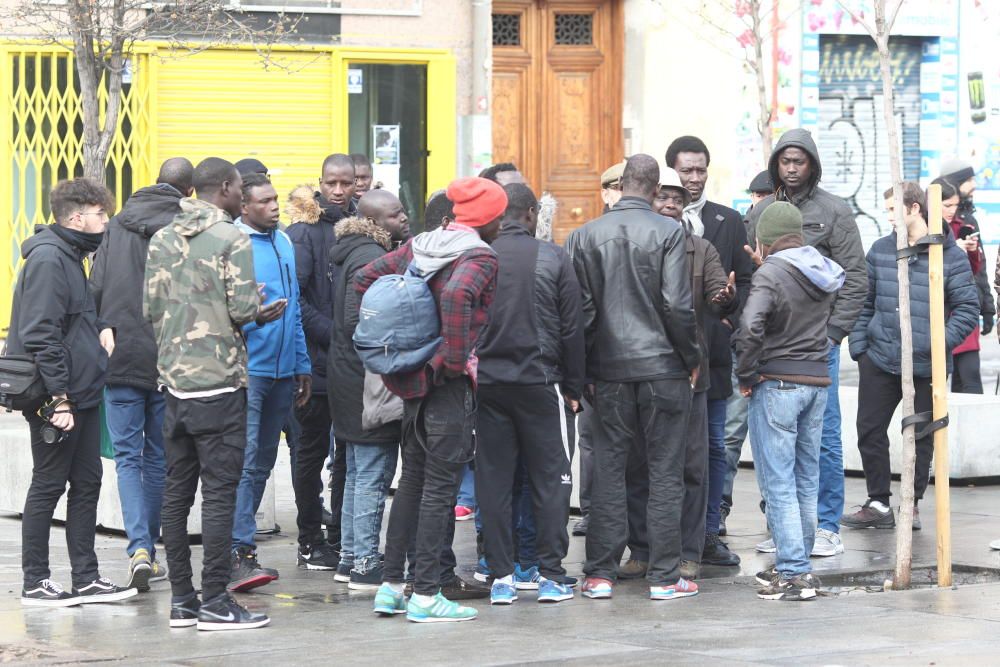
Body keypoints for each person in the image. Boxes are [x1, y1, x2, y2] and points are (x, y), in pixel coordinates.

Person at [145, 157, 283, 630]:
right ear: (224, 189)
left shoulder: (162, 237)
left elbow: (150, 307)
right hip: (220, 385)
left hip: (174, 385)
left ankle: (183, 601)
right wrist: (262, 311)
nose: (243, 197)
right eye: (240, 189)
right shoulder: (231, 237)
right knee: (220, 496)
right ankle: (215, 601)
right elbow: (243, 308)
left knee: (176, 493)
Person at [361, 176, 503, 623]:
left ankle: (390, 586)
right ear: (492, 219)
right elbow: (460, 294)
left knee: (413, 483)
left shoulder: (423, 244)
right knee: (438, 490)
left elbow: (366, 278)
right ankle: (424, 595)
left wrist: (404, 345)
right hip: (445, 385)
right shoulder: (479, 254)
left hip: (413, 381)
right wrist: (452, 360)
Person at [567, 154, 701, 602]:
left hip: (606, 370)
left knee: (608, 470)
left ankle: (600, 573)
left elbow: (580, 314)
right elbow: (677, 306)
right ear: (653, 186)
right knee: (665, 471)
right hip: (663, 367)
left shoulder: (584, 235)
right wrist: (691, 356)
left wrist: (582, 369)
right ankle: (664, 576)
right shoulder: (668, 232)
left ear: (622, 185)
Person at [8, 178, 135, 607]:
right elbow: (41, 333)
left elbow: (74, 316)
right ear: (78, 216)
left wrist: (99, 327)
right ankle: (35, 582)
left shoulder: (71, 256)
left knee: (87, 481)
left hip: (82, 392)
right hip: (55, 397)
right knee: (48, 485)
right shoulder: (48, 259)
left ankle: (86, 578)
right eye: (102, 214)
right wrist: (57, 398)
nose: (106, 221)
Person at [746, 128, 867, 558]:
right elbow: (752, 274)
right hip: (772, 349)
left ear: (812, 164)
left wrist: (833, 333)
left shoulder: (834, 211)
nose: (792, 168)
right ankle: (786, 527)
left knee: (824, 434)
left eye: (799, 161)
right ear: (775, 163)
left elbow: (855, 276)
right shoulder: (762, 211)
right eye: (785, 161)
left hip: (819, 345)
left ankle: (827, 523)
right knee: (775, 443)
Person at [843, 183, 978, 531]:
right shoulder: (880, 251)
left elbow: (967, 309)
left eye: (892, 210)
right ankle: (878, 502)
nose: (888, 216)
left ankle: (911, 503)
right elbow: (864, 302)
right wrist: (861, 349)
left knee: (920, 436)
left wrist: (938, 345)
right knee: (869, 429)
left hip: (925, 365)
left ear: (915, 208)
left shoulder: (949, 255)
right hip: (880, 356)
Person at [475, 182, 585, 606]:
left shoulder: (480, 256)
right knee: (552, 480)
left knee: (494, 480)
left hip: (487, 384)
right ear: (532, 213)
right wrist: (574, 387)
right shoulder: (553, 257)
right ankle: (551, 575)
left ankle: (500, 576)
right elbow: (572, 328)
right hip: (543, 384)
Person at [90, 158, 193, 593]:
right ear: (189, 191)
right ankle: (148, 542)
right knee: (158, 457)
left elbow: (96, 286)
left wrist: (104, 330)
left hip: (123, 352)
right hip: (172, 354)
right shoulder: (189, 226)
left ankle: (139, 549)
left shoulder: (117, 225)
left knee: (129, 457)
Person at [736, 201, 845, 601]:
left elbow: (751, 326)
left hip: (778, 382)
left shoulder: (772, 272)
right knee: (805, 477)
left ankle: (794, 572)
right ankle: (799, 565)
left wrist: (746, 374)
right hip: (817, 381)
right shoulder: (821, 270)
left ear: (765, 240)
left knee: (778, 480)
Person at [665, 137, 753, 555]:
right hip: (664, 358)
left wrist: (728, 316)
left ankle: (709, 529)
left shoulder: (728, 220)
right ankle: (654, 538)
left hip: (713, 351)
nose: (695, 179)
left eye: (701, 170)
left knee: (716, 444)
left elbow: (744, 280)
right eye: (687, 171)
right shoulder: (656, 223)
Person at [228, 173, 312, 592]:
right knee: (244, 461)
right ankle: (237, 552)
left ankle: (241, 546)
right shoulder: (233, 243)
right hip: (249, 372)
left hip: (283, 371)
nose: (275, 206)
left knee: (262, 462)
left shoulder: (283, 241)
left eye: (276, 199)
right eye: (264, 201)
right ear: (244, 207)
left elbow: (293, 308)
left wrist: (302, 363)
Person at [328, 189, 409, 590]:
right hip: (366, 383)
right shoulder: (369, 257)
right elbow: (354, 320)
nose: (405, 218)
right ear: (376, 222)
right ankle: (364, 562)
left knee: (359, 472)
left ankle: (348, 557)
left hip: (347, 377)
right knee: (372, 474)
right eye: (396, 215)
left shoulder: (351, 249)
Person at [287, 153, 355, 571]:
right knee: (308, 455)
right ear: (321, 182)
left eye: (346, 183)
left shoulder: (360, 228)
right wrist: (336, 335)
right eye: (331, 183)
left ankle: (343, 538)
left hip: (350, 367)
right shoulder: (304, 233)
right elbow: (297, 299)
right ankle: (310, 539)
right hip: (314, 364)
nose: (338, 190)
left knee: (348, 455)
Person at [573, 160, 627, 540]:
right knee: (592, 441)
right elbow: (576, 306)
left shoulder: (656, 234)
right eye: (616, 188)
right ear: (606, 194)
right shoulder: (586, 236)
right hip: (598, 358)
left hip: (635, 361)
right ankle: (592, 510)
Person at [720, 167, 775, 534]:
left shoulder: (790, 240)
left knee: (773, 440)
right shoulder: (736, 232)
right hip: (742, 349)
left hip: (774, 354)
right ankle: (718, 512)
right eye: (757, 198)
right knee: (730, 434)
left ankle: (776, 515)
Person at [934, 177, 985, 394]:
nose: (952, 210)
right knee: (937, 382)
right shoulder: (923, 229)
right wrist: (953, 249)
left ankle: (977, 428)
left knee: (970, 376)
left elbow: (975, 271)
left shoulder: (964, 224)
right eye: (947, 205)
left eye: (955, 205)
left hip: (962, 309)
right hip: (937, 312)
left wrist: (971, 250)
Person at [941, 158, 995, 353]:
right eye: (969, 180)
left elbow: (980, 270)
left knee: (968, 378)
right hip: (945, 311)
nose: (974, 185)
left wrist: (987, 308)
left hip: (967, 306)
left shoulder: (968, 220)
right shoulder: (933, 222)